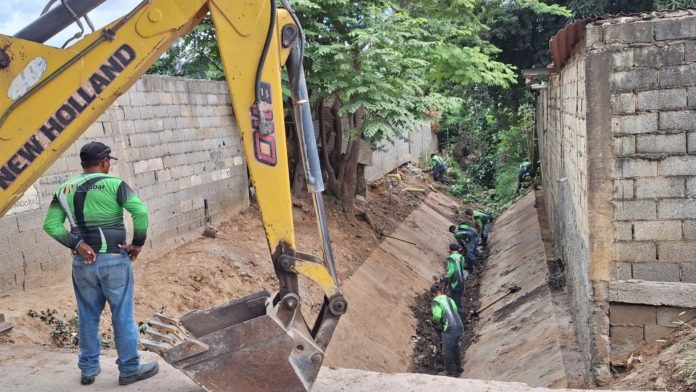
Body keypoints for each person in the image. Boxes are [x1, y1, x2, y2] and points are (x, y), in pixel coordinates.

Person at [43, 142, 159, 386]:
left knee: (87, 315)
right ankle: (129, 369)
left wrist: (76, 244)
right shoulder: (115, 184)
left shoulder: (64, 189)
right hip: (115, 260)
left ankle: (88, 368)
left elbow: (51, 225)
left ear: (83, 164)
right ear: (105, 162)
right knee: (123, 316)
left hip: (82, 263)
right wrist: (137, 243)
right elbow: (141, 213)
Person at [430, 283, 464, 377]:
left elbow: (437, 315)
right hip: (459, 326)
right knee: (455, 348)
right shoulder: (449, 299)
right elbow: (455, 310)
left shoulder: (435, 301)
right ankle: (458, 367)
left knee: (446, 351)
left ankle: (450, 372)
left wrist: (435, 321)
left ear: (433, 293)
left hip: (450, 328)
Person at [440, 243, 468, 319]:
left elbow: (451, 271)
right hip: (461, 281)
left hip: (455, 283)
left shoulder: (451, 258)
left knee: (456, 301)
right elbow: (462, 267)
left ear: (450, 250)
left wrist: (444, 278)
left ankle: (460, 319)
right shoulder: (461, 257)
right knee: (457, 299)